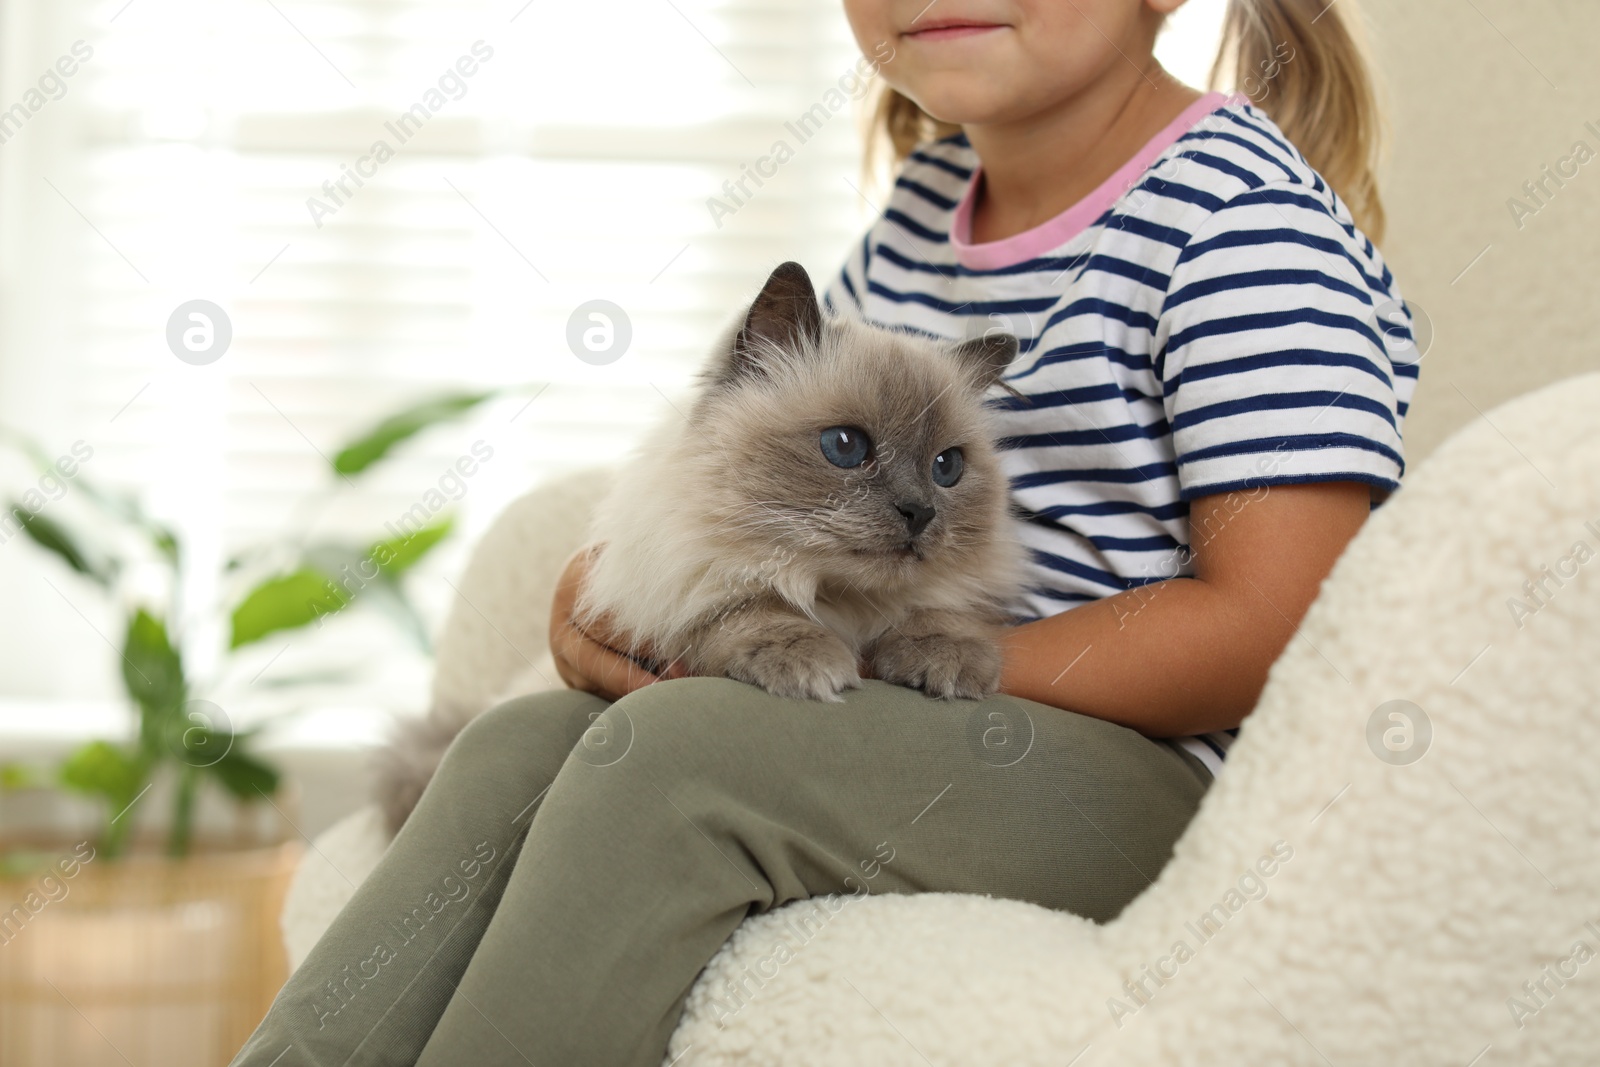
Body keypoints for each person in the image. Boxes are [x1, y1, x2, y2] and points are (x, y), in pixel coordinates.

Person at [230, 0, 1416, 1063]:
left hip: (1161, 782)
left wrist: (951, 657)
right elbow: (773, 475)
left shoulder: (1242, 223)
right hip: (943, 724)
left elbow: (1281, 626)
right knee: (511, 748)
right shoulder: (919, 214)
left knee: (680, 764)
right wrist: (636, 600)